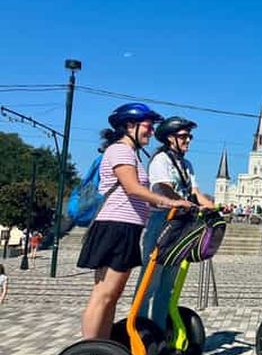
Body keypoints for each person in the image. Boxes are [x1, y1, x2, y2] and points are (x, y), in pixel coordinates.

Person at [77, 104, 192, 340]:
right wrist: (170, 202)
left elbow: (140, 195)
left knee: (113, 295)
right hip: (113, 226)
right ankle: (89, 349)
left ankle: (105, 346)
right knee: (103, 294)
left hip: (128, 228)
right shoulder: (120, 151)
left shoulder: (132, 154)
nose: (151, 132)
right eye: (148, 127)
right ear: (130, 126)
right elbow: (132, 188)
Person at [137, 116, 214, 330]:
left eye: (190, 136)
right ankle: (141, 327)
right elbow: (162, 187)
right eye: (183, 136)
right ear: (170, 138)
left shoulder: (186, 164)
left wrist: (215, 207)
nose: (188, 140)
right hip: (161, 221)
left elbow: (196, 193)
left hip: (180, 224)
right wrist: (180, 202)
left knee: (168, 285)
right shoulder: (161, 159)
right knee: (150, 281)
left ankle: (159, 330)